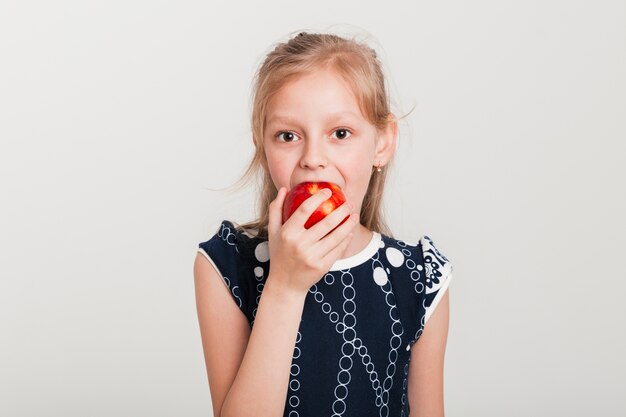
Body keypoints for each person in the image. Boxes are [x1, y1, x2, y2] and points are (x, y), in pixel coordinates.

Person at [193, 30, 453, 417]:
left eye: (340, 133)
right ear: (263, 148)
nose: (313, 158)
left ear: (382, 142)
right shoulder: (225, 267)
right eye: (288, 135)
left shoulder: (420, 280)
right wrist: (284, 286)